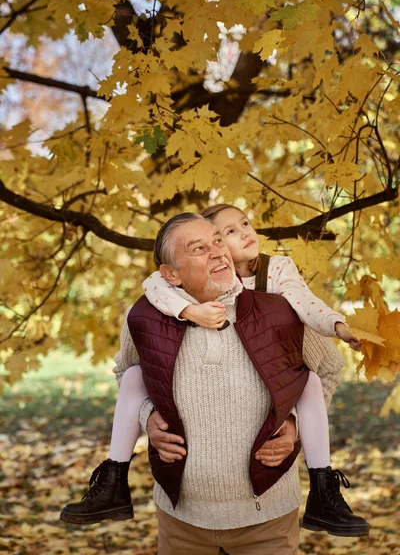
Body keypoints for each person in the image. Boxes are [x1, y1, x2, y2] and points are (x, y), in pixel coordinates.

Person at [60, 213, 367, 552]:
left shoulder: (280, 311)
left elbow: (326, 370)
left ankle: (324, 492)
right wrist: (147, 417)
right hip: (181, 520)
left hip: (267, 519)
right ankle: (113, 482)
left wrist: (293, 423)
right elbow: (129, 374)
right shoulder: (146, 316)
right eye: (199, 248)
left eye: (218, 241)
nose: (218, 252)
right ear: (171, 274)